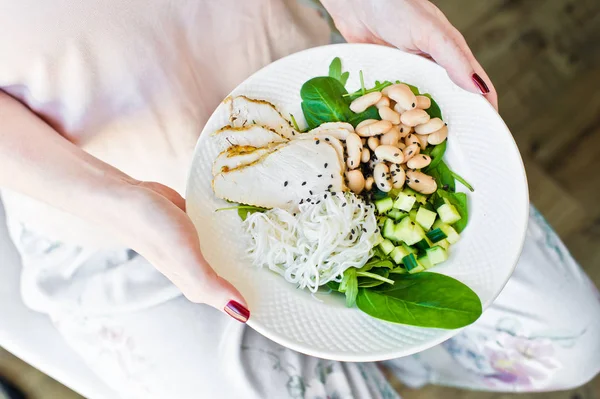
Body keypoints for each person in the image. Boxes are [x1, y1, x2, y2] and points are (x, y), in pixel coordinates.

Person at [0, 0, 598, 397]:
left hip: (311, 106)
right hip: (111, 219)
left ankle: (380, 358)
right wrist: (122, 201)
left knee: (571, 342)